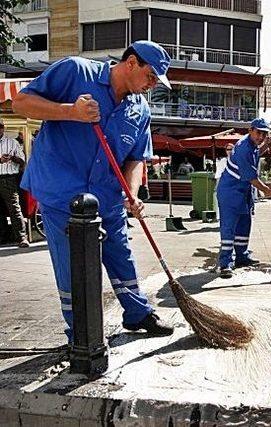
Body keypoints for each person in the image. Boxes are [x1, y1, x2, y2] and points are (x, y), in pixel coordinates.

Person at [12, 40, 174, 342]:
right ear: (131, 63)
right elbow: (21, 103)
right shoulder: (76, 71)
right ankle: (81, 333)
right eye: (151, 76)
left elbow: (136, 158)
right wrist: (70, 111)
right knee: (73, 267)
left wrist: (132, 193)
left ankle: (137, 313)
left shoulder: (141, 110)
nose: (152, 85)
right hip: (61, 193)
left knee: (121, 256)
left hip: (107, 197)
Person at [216, 118, 271, 279]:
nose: (261, 136)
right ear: (250, 130)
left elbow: (255, 155)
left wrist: (265, 147)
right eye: (259, 132)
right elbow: (251, 177)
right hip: (230, 192)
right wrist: (268, 192)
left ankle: (242, 257)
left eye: (264, 134)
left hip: (242, 192)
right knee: (229, 227)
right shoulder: (244, 147)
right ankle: (225, 263)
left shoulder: (252, 145)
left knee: (244, 224)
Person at [0, 119, 29, 248]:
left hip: (8, 178)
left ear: (3, 128)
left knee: (14, 208)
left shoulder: (12, 142)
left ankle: (22, 237)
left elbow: (22, 161)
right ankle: (3, 235)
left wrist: (12, 158)